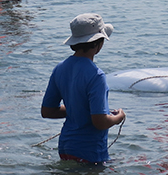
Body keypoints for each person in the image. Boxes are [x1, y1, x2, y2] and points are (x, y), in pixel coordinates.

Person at [41, 13, 126, 165]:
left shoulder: (60, 68)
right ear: (98, 43)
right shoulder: (96, 75)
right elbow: (99, 122)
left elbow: (47, 111)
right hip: (90, 151)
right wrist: (118, 117)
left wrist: (79, 108)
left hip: (66, 147)